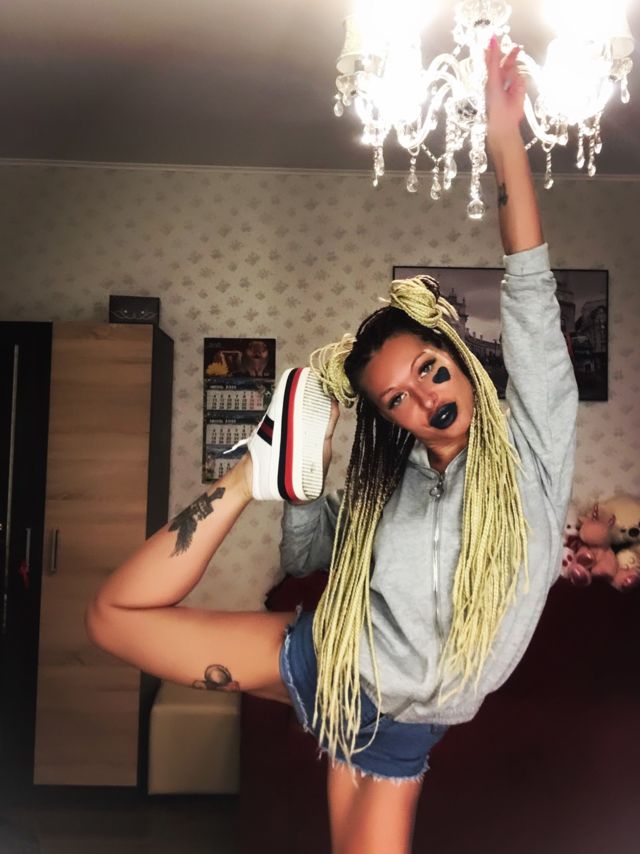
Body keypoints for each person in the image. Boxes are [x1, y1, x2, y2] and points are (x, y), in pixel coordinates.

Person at [86, 40, 578, 854]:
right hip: (335, 662)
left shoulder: (533, 450)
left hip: (389, 713)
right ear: (391, 419)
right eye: (397, 400)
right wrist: (297, 492)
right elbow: (310, 553)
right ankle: (254, 470)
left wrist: (504, 144)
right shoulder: (396, 484)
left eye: (429, 371)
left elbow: (530, 287)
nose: (424, 398)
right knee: (111, 618)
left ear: (460, 358)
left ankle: (268, 463)